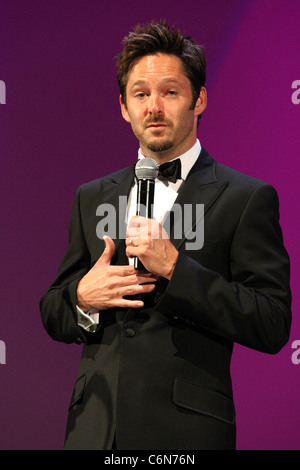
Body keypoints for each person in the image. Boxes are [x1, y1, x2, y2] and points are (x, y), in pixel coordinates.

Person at [40, 20, 292, 450]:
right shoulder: (91, 196)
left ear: (199, 100)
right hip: (96, 431)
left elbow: (270, 321)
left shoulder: (246, 198)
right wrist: (82, 297)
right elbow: (53, 310)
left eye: (170, 92)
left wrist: (177, 270)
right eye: (141, 94)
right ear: (124, 106)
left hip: (186, 432)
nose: (153, 107)